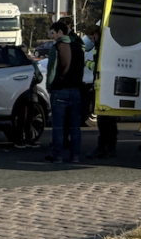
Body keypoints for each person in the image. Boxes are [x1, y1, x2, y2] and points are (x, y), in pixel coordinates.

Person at [46, 20, 84, 163]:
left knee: (58, 127)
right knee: (75, 126)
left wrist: (50, 86)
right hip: (75, 90)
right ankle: (75, 155)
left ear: (60, 32)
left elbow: (51, 70)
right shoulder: (78, 47)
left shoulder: (56, 48)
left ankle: (58, 155)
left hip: (60, 90)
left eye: (53, 33)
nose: (52, 37)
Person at [86, 24, 118, 158]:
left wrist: (87, 63)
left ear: (96, 34)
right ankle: (110, 146)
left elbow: (98, 66)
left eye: (91, 37)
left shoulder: (102, 47)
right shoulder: (109, 45)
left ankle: (102, 148)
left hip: (103, 85)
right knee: (109, 119)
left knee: (103, 120)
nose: (92, 40)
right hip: (107, 85)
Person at [13, 48, 44, 149]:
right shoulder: (31, 63)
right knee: (28, 117)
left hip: (21, 93)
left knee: (22, 117)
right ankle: (27, 140)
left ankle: (20, 140)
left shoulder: (16, 63)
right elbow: (39, 77)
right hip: (31, 92)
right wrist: (33, 79)